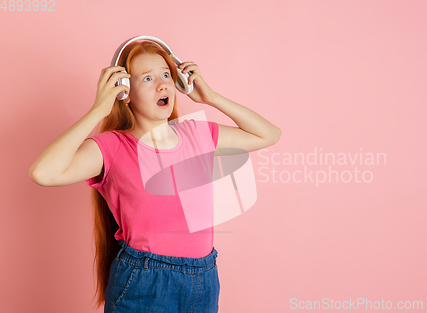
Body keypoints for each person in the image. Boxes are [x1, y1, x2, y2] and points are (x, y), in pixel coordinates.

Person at [28, 39, 281, 312]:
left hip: (204, 279)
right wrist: (99, 109)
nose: (162, 84)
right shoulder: (112, 147)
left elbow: (268, 134)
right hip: (145, 280)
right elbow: (44, 172)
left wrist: (211, 97)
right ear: (125, 92)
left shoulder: (198, 133)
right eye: (147, 78)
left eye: (166, 75)